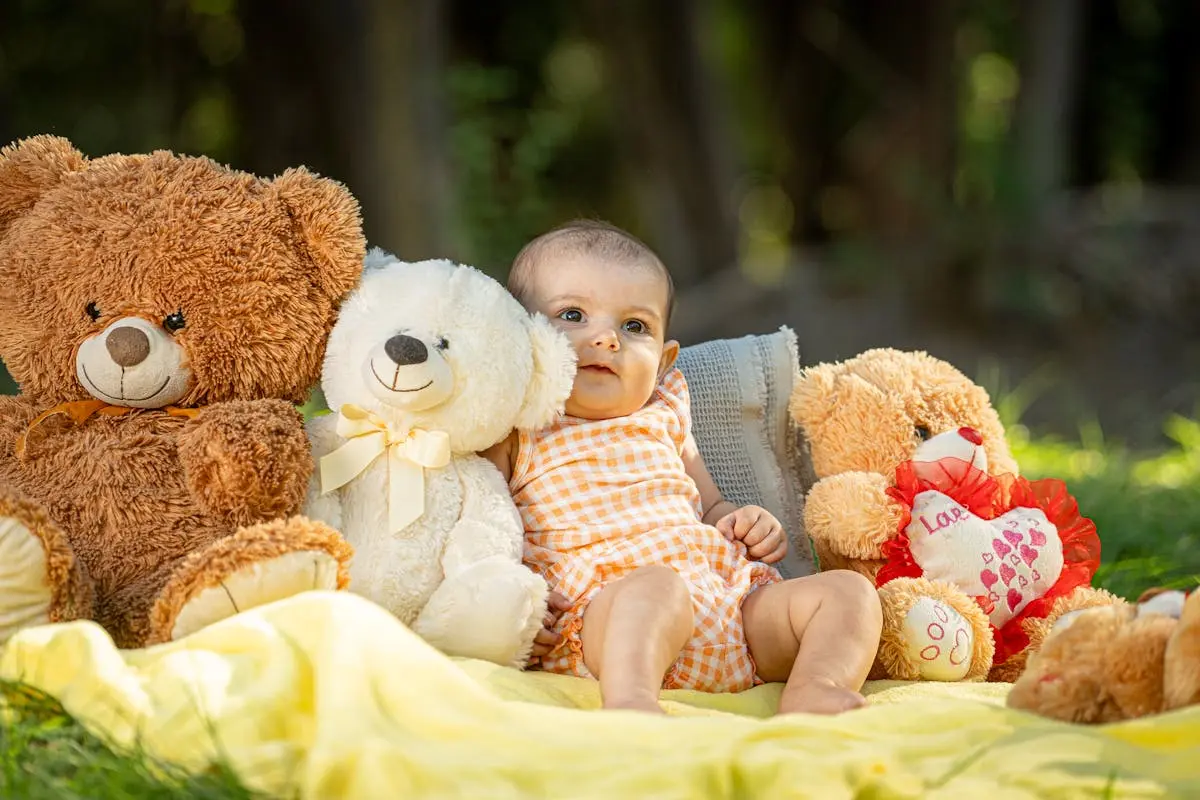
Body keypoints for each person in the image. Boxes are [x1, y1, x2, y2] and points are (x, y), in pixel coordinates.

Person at [484, 219, 882, 715]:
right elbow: (485, 525)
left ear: (665, 359)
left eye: (635, 326)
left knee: (849, 593)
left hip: (729, 610)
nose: (607, 338)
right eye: (573, 314)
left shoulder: (664, 408)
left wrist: (743, 520)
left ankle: (815, 687)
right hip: (603, 613)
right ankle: (631, 702)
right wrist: (513, 603)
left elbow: (710, 504)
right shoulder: (515, 425)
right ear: (520, 338)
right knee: (657, 588)